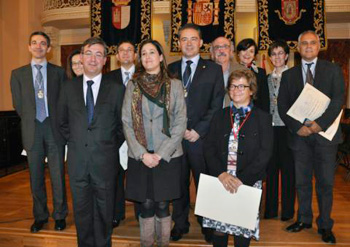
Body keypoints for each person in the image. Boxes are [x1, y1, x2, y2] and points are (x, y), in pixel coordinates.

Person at [278, 30, 345, 244]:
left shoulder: (333, 70)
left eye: (312, 43)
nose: (308, 46)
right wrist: (298, 128)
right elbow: (282, 106)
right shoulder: (289, 75)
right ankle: (304, 219)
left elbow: (338, 100)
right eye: (304, 43)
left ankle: (325, 225)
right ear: (298, 47)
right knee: (302, 183)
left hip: (326, 137)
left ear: (319, 46)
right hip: (300, 137)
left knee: (325, 184)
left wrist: (319, 125)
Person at [57, 37, 125, 247]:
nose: (93, 59)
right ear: (82, 57)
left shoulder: (116, 89)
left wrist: (105, 144)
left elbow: (122, 126)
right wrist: (79, 142)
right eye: (89, 53)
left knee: (105, 213)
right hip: (78, 162)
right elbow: (62, 123)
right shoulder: (68, 88)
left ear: (105, 60)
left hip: (105, 161)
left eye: (98, 54)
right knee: (82, 211)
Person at [122, 39, 186, 247]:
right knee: (146, 204)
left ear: (160, 57)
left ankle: (164, 244)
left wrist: (159, 154)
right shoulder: (132, 85)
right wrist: (142, 153)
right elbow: (126, 121)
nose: (147, 57)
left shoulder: (174, 85)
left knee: (162, 204)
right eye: (143, 54)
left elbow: (180, 121)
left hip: (167, 156)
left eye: (152, 52)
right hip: (140, 155)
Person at [203, 69, 273, 247]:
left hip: (247, 182)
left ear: (251, 90)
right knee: (219, 229)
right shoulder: (219, 115)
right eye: (233, 86)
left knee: (242, 231)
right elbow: (208, 147)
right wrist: (221, 174)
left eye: (242, 86)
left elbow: (265, 152)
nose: (237, 90)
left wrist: (243, 179)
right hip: (220, 180)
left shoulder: (263, 118)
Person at [168, 23, 225, 242]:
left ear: (201, 43)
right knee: (178, 183)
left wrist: (197, 131)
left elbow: (216, 104)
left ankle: (207, 225)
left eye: (193, 39)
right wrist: (179, 130)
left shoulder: (213, 69)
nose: (189, 43)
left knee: (205, 184)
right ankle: (180, 223)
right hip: (177, 140)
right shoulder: (170, 69)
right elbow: (166, 105)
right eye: (184, 39)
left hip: (202, 139)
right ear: (179, 43)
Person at [10, 31, 68, 233]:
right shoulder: (17, 74)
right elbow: (18, 105)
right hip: (32, 129)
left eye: (43, 43)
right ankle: (40, 216)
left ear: (49, 49)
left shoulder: (59, 73)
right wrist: (32, 119)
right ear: (29, 47)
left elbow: (63, 102)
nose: (38, 46)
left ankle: (60, 216)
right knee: (35, 178)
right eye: (34, 43)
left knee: (58, 176)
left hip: (54, 130)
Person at [105, 40, 138, 228]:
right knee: (115, 176)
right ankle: (117, 214)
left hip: (138, 136)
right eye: (121, 51)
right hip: (116, 135)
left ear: (135, 55)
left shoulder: (144, 75)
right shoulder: (108, 78)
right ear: (116, 56)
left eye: (129, 50)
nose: (125, 53)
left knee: (138, 176)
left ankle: (142, 214)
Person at [264, 40, 295, 221]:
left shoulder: (293, 77)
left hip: (288, 129)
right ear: (270, 57)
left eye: (280, 53)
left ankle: (288, 212)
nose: (277, 57)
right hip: (270, 129)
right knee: (271, 171)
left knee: (289, 172)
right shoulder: (266, 79)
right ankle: (270, 210)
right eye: (273, 54)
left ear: (286, 56)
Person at [236, 38, 269, 112]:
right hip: (235, 113)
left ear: (254, 55)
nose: (247, 54)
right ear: (238, 53)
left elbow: (265, 99)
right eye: (244, 50)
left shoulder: (260, 72)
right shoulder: (232, 71)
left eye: (251, 51)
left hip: (256, 114)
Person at [210, 36, 245, 107]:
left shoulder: (243, 72)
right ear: (212, 53)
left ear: (231, 51)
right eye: (217, 47)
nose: (221, 51)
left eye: (225, 46)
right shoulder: (205, 72)